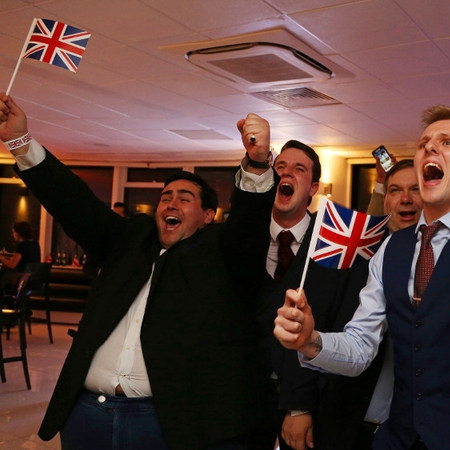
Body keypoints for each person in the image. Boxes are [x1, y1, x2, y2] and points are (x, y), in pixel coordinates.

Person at [275, 75, 450, 449]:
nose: (429, 151)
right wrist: (311, 342)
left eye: (446, 143)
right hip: (398, 439)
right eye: (424, 145)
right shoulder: (392, 248)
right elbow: (361, 348)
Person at [0, 91, 278, 449]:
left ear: (208, 216)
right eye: (166, 196)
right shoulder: (129, 241)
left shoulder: (220, 254)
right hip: (86, 416)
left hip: (160, 424)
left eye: (184, 198)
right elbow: (73, 202)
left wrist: (256, 165)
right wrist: (20, 141)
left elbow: (248, 230)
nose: (171, 202)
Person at [252, 139, 384, 450]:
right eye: (280, 168)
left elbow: (331, 328)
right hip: (242, 399)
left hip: (306, 404)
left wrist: (300, 403)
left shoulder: (333, 251)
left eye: (298, 170)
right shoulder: (247, 241)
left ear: (312, 188)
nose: (287, 174)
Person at [313, 159, 422, 449]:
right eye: (396, 190)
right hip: (353, 422)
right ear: (386, 200)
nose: (406, 198)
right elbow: (346, 337)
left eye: (415, 188)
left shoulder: (449, 256)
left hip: (423, 430)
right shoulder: (367, 255)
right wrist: (308, 342)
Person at [0, 221, 41, 294]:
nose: (12, 235)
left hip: (23, 280)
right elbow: (25, 260)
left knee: (4, 275)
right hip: (35, 279)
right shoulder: (35, 244)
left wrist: (1, 258)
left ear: (19, 233)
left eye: (14, 232)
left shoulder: (22, 245)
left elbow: (12, 265)